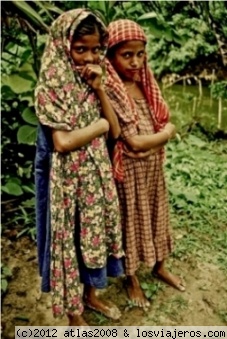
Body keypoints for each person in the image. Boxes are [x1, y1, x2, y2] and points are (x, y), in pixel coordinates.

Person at [34, 9, 124, 326]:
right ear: (63, 45)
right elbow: (62, 142)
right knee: (69, 241)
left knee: (95, 235)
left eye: (95, 49)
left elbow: (115, 131)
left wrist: (100, 89)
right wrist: (97, 125)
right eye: (80, 48)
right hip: (68, 182)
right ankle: (74, 313)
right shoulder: (52, 86)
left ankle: (91, 295)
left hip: (96, 176)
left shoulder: (96, 79)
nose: (89, 57)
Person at [104, 19, 186, 308]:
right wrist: (167, 133)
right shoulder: (112, 91)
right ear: (110, 56)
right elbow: (134, 142)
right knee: (132, 221)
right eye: (127, 55)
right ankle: (131, 277)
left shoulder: (145, 84)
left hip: (152, 167)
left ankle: (160, 265)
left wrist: (164, 133)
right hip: (129, 171)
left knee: (157, 213)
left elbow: (163, 121)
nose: (136, 62)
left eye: (140, 54)